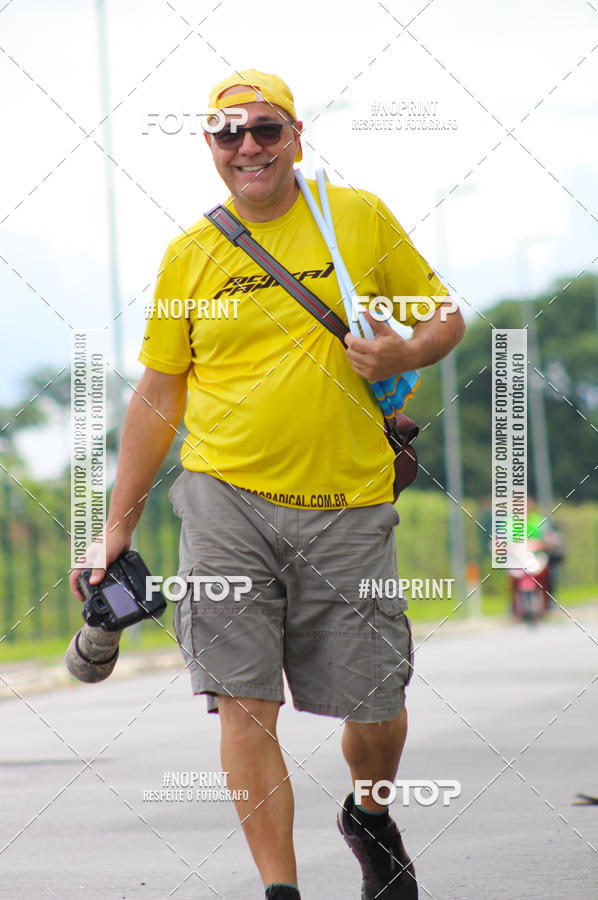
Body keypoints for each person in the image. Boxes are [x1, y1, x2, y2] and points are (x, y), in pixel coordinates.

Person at [70, 69, 465, 900]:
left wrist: (402, 354)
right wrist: (117, 527)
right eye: (227, 132)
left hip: (349, 503)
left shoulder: (352, 217)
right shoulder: (192, 255)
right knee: (243, 701)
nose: (247, 146)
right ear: (209, 145)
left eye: (265, 130)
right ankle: (280, 890)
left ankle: (369, 813)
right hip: (224, 501)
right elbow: (159, 393)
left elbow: (444, 317)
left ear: (294, 136)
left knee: (376, 704)